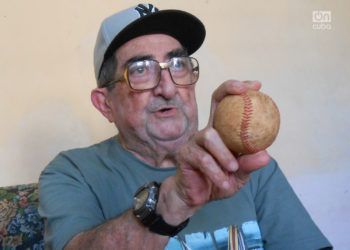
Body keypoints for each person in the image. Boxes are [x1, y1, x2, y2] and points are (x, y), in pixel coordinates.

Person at [39, 3, 332, 250]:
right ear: (105, 104)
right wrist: (173, 201)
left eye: (177, 64)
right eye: (140, 71)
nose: (168, 88)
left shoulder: (247, 165)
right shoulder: (73, 172)